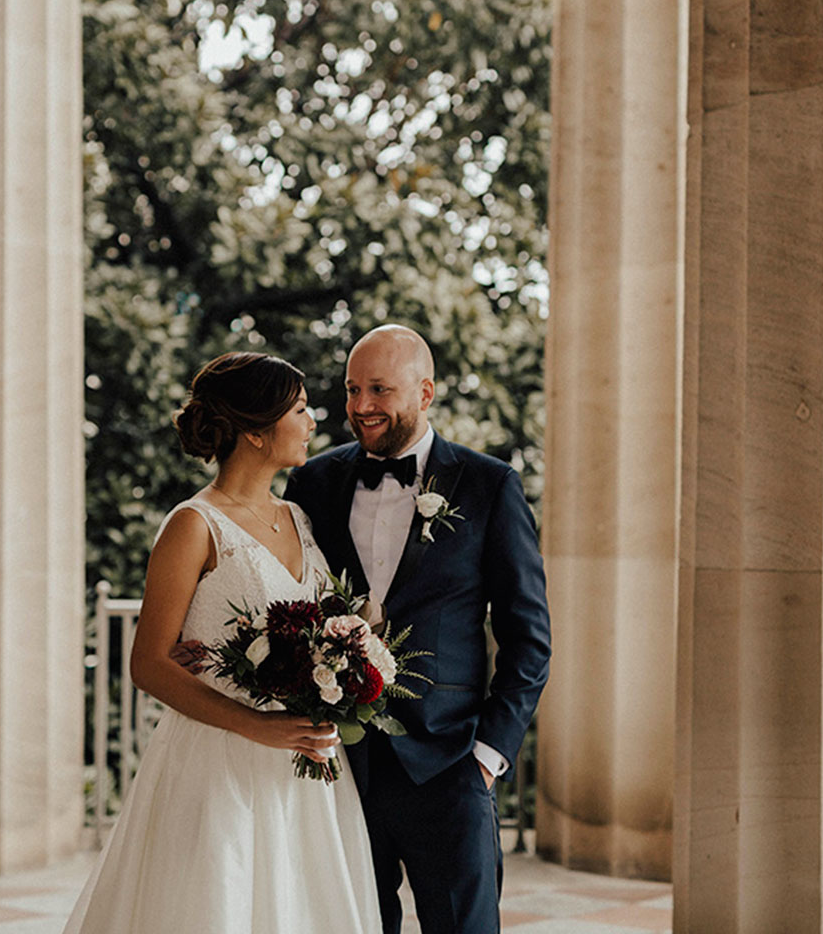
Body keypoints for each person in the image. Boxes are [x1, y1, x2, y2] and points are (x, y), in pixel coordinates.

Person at [62, 352, 381, 934]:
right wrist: (255, 725)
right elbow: (149, 664)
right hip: (220, 767)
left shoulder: (297, 518)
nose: (314, 421)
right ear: (257, 431)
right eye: (302, 409)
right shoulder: (193, 524)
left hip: (303, 769)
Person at [284, 324, 551, 934]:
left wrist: (486, 758)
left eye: (379, 389)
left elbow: (528, 637)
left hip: (451, 766)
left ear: (425, 392)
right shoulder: (311, 485)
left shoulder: (490, 486)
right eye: (352, 389)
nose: (360, 406)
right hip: (342, 768)